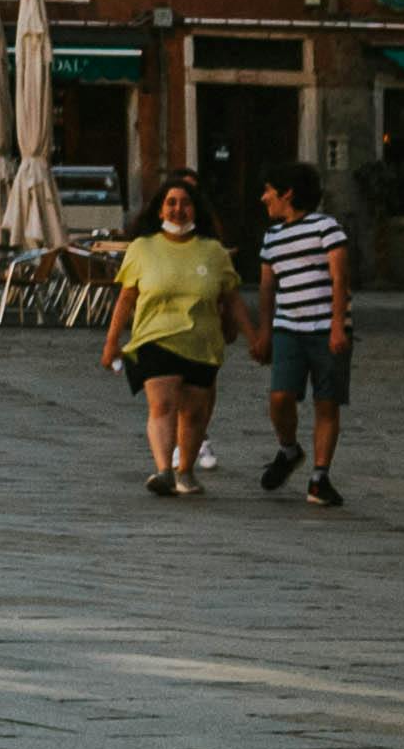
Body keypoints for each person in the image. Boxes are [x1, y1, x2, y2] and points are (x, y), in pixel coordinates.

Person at [104, 173, 235, 497]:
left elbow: (230, 297)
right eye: (171, 203)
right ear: (159, 210)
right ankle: (164, 469)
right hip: (154, 337)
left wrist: (244, 330)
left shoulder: (213, 251)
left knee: (193, 413)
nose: (178, 209)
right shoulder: (142, 248)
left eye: (185, 203)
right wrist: (111, 343)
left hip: (201, 342)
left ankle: (185, 471)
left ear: (196, 209)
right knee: (161, 405)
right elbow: (126, 298)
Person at [252, 165, 353, 507]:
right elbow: (267, 289)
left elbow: (340, 278)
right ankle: (289, 449)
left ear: (287, 193)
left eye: (268, 190)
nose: (263, 197)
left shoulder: (327, 227)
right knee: (280, 397)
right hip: (288, 328)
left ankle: (319, 477)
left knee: (326, 402)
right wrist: (264, 332)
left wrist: (338, 325)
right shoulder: (272, 237)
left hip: (326, 327)